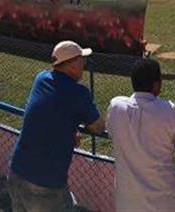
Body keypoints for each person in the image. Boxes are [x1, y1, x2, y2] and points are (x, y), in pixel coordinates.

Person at [8, 41, 106, 212]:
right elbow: (97, 127)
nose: (84, 65)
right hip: (45, 184)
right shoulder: (78, 93)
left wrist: (68, 131)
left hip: (16, 173)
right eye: (82, 61)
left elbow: (48, 110)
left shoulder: (41, 79)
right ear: (72, 64)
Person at [107, 59, 175, 212]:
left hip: (127, 203)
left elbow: (110, 129)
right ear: (156, 84)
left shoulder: (116, 106)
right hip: (162, 204)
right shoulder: (166, 109)